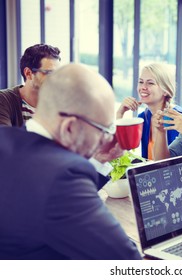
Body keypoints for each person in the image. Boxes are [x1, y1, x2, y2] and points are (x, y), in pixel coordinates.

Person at [0, 63, 142, 260]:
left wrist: (99, 158)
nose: (106, 138)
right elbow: (126, 261)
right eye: (103, 129)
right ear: (69, 128)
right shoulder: (61, 178)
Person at [116, 62, 182, 159]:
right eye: (141, 82)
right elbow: (120, 151)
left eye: (150, 83)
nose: (143, 87)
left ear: (165, 90)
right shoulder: (143, 117)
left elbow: (173, 164)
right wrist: (119, 114)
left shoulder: (178, 118)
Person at [0, 43, 61, 126]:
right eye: (49, 73)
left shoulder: (60, 103)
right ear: (28, 73)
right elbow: (4, 137)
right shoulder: (4, 100)